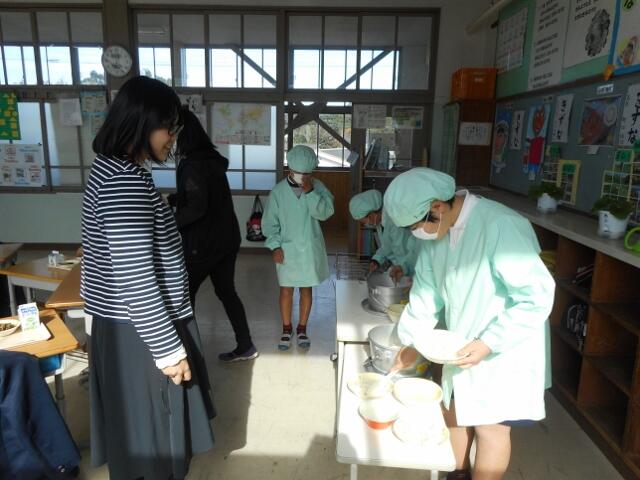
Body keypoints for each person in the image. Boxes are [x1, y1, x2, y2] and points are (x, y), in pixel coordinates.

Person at [81, 76, 214, 480]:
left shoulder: (111, 169)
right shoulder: (123, 181)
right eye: (168, 127)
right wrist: (168, 351)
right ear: (141, 122)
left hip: (123, 326)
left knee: (137, 438)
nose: (172, 138)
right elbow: (136, 279)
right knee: (155, 445)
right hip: (139, 334)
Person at [385, 168, 554, 480]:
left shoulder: (501, 225)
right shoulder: (439, 232)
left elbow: (536, 296)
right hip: (462, 343)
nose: (416, 233)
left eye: (416, 226)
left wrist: (489, 342)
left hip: (504, 346)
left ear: (437, 206)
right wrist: (411, 343)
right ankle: (457, 474)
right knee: (454, 409)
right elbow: (425, 294)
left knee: (491, 428)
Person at [169, 109, 258, 362]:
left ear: (181, 134)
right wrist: (176, 199)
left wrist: (168, 223)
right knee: (227, 292)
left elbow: (197, 207)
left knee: (184, 296)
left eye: (172, 132)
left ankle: (186, 354)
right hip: (227, 239)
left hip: (203, 244)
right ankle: (246, 345)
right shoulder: (211, 160)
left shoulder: (191, 164)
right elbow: (205, 194)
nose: (170, 139)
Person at [262, 145, 334, 350]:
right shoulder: (278, 192)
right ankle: (287, 329)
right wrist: (275, 246)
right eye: (300, 173)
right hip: (286, 249)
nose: (304, 177)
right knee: (286, 290)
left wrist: (310, 192)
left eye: (308, 174)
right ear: (290, 169)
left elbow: (324, 213)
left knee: (306, 288)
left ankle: (302, 329)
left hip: (309, 247)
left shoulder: (318, 187)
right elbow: (270, 223)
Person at [349, 189, 417, 281]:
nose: (366, 224)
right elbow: (386, 246)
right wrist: (377, 260)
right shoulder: (381, 222)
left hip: (410, 268)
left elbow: (402, 252)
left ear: (372, 214)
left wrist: (402, 270)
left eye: (363, 222)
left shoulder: (394, 222)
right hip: (402, 266)